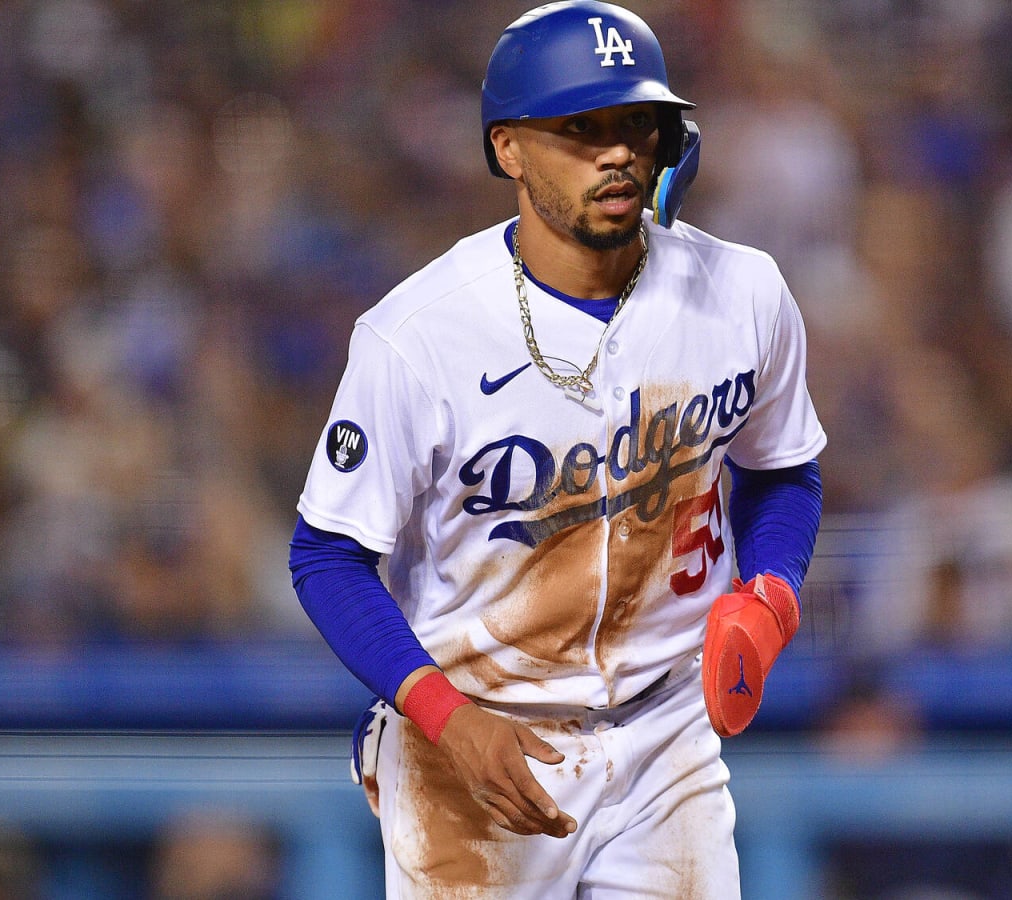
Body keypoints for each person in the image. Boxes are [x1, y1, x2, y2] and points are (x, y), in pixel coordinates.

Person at [286, 2, 826, 896]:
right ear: (508, 149)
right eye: (581, 128)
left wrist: (771, 597)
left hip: (667, 738)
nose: (618, 152)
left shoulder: (743, 294)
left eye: (636, 124)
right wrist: (443, 718)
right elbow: (327, 557)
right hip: (474, 742)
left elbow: (783, 470)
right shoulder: (419, 336)